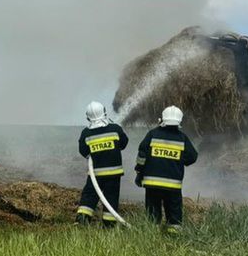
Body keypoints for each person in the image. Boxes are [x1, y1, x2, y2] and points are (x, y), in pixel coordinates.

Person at [135, 106, 198, 235]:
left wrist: (139, 173)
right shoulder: (182, 138)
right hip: (173, 186)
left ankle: (152, 235)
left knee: (153, 211)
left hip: (152, 184)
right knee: (174, 212)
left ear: (162, 119)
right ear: (179, 121)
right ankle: (173, 236)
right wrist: (180, 160)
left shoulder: (152, 134)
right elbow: (192, 157)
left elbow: (142, 155)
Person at [75, 101, 128, 227]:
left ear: (88, 117)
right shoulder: (115, 128)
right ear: (104, 112)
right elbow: (124, 143)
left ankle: (82, 220)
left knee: (89, 195)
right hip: (114, 173)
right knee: (111, 197)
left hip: (96, 174)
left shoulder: (86, 133)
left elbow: (83, 151)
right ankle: (109, 224)